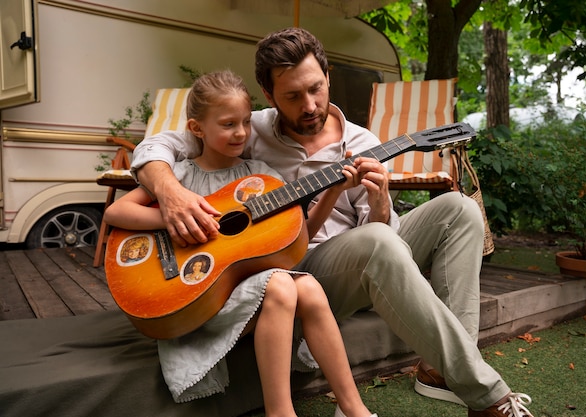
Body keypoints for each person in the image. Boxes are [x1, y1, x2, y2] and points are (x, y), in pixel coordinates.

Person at [130, 28, 535, 417]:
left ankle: (442, 371)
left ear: (328, 77)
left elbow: (387, 238)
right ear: (269, 96)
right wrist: (170, 193)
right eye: (292, 96)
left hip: (360, 258)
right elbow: (157, 145)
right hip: (292, 269)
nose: (308, 105)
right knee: (376, 241)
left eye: (315, 88)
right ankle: (487, 395)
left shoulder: (361, 142)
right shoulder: (245, 129)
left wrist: (378, 201)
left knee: (459, 209)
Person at [104, 70, 376, 417]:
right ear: (197, 129)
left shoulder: (259, 177)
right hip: (196, 292)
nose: (241, 133)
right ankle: (280, 412)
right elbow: (116, 212)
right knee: (281, 283)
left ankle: (354, 409)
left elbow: (299, 233)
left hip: (240, 288)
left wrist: (332, 192)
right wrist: (177, 217)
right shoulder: (182, 175)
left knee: (307, 287)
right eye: (229, 124)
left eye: (246, 122)